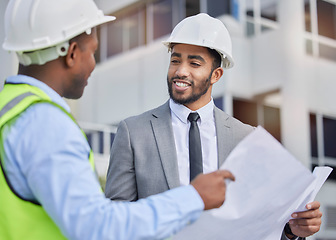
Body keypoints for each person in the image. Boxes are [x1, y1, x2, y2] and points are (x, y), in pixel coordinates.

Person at [0, 2, 236, 240]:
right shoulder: (46, 124)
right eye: (93, 52)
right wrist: (194, 197)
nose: (93, 64)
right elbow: (99, 226)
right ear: (71, 54)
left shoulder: (10, 106)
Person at [105, 13, 322, 240]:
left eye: (194, 63)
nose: (180, 71)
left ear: (216, 75)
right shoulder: (134, 133)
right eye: (175, 60)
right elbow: (115, 220)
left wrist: (290, 231)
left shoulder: (245, 138)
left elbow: (259, 224)